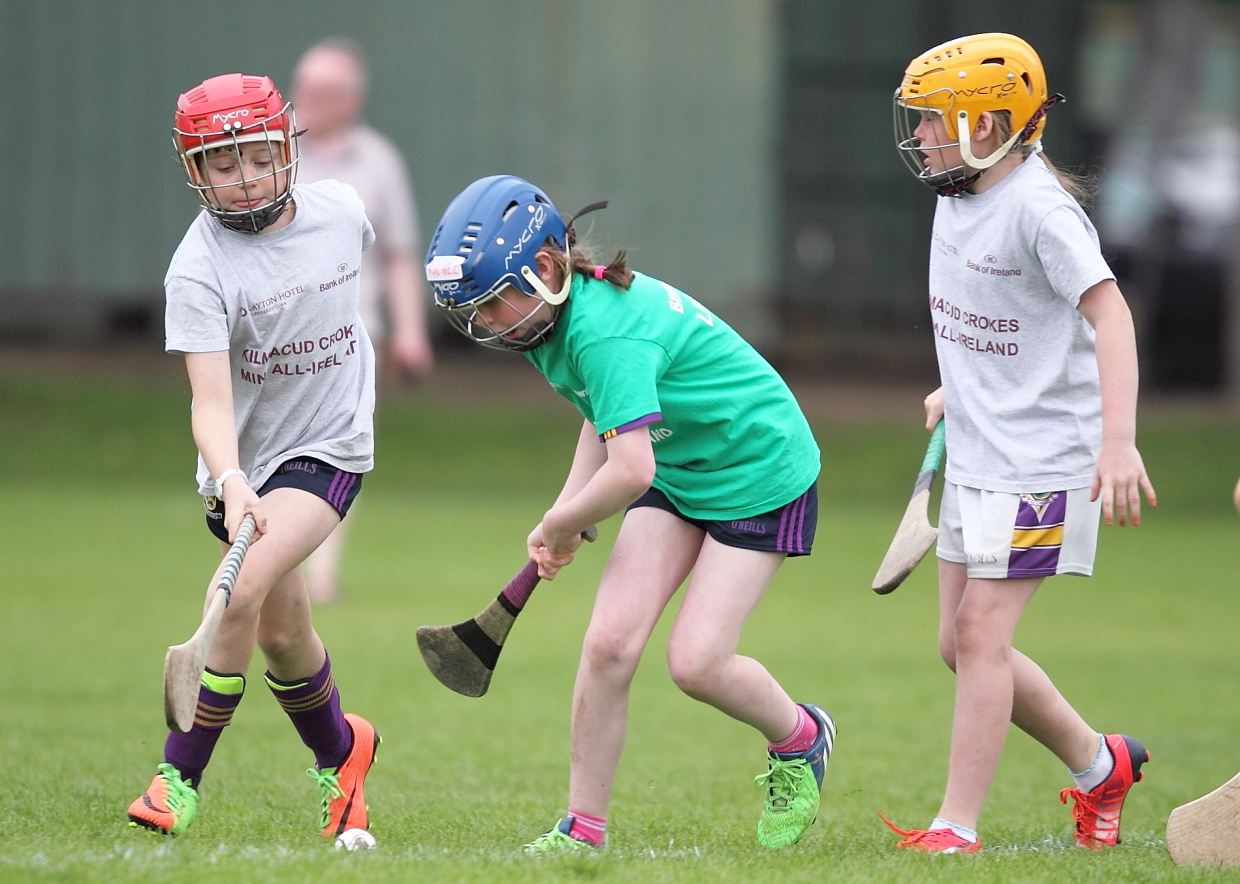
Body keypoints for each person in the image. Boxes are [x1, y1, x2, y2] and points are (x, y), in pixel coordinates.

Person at [425, 175, 834, 852]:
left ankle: (801, 739)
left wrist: (559, 525)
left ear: (547, 268)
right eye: (473, 311)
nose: (486, 325)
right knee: (609, 644)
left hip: (759, 472)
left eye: (494, 304)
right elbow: (604, 416)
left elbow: (632, 469)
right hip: (678, 468)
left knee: (697, 663)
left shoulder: (603, 331)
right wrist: (567, 507)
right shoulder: (547, 325)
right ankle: (582, 830)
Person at [881, 34, 1158, 853]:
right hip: (977, 450)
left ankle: (955, 827)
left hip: (1044, 462)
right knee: (955, 647)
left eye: (936, 120)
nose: (922, 136)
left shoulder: (1040, 209)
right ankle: (1099, 763)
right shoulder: (955, 192)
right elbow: (994, 320)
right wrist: (955, 387)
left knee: (980, 637)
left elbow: (1110, 315)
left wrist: (1119, 442)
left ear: (991, 123)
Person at [126, 73, 379, 841]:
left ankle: (177, 777)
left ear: (286, 150)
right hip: (240, 469)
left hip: (331, 446)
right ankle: (344, 756)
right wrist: (233, 482)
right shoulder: (196, 270)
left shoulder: (344, 214)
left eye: (258, 156)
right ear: (194, 170)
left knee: (234, 599)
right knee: (282, 636)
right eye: (222, 163)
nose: (244, 178)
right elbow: (209, 401)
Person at [292, 37, 433, 604]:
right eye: (302, 88)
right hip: (277, 334)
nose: (308, 101)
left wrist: (412, 333)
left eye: (323, 92)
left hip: (354, 335)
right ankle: (273, 564)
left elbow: (399, 253)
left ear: (352, 99)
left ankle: (320, 575)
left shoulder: (379, 161)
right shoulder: (272, 152)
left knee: (337, 452)